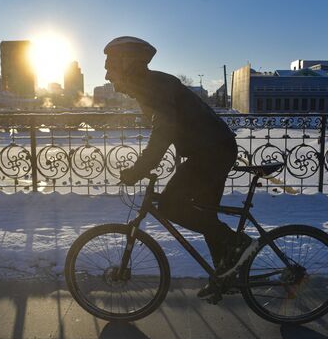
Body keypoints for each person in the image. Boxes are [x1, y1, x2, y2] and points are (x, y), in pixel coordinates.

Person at [104, 36, 257, 298]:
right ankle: (224, 275)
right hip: (212, 149)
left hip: (211, 152)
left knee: (170, 206)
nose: (110, 79)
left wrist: (139, 170)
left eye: (111, 68)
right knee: (205, 216)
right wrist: (146, 165)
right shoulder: (151, 85)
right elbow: (165, 129)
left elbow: (164, 131)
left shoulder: (153, 86)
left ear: (127, 63)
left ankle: (237, 243)